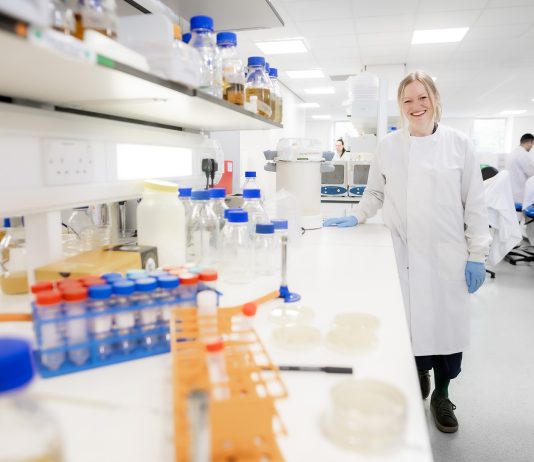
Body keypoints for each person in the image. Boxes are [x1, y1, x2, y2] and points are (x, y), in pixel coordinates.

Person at [324, 71, 491, 434]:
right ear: (400, 106)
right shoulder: (389, 146)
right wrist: (356, 215)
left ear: (435, 99)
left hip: (447, 255)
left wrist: (477, 254)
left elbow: (475, 203)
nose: (416, 106)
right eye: (408, 100)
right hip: (402, 254)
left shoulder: (459, 144)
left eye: (422, 97)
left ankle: (442, 395)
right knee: (408, 326)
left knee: (447, 333)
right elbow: (375, 193)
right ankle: (418, 374)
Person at [505, 133, 534, 204]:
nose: (532, 147)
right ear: (529, 142)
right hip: (519, 193)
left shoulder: (512, 153)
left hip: (511, 192)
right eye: (532, 144)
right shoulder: (524, 154)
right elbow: (532, 173)